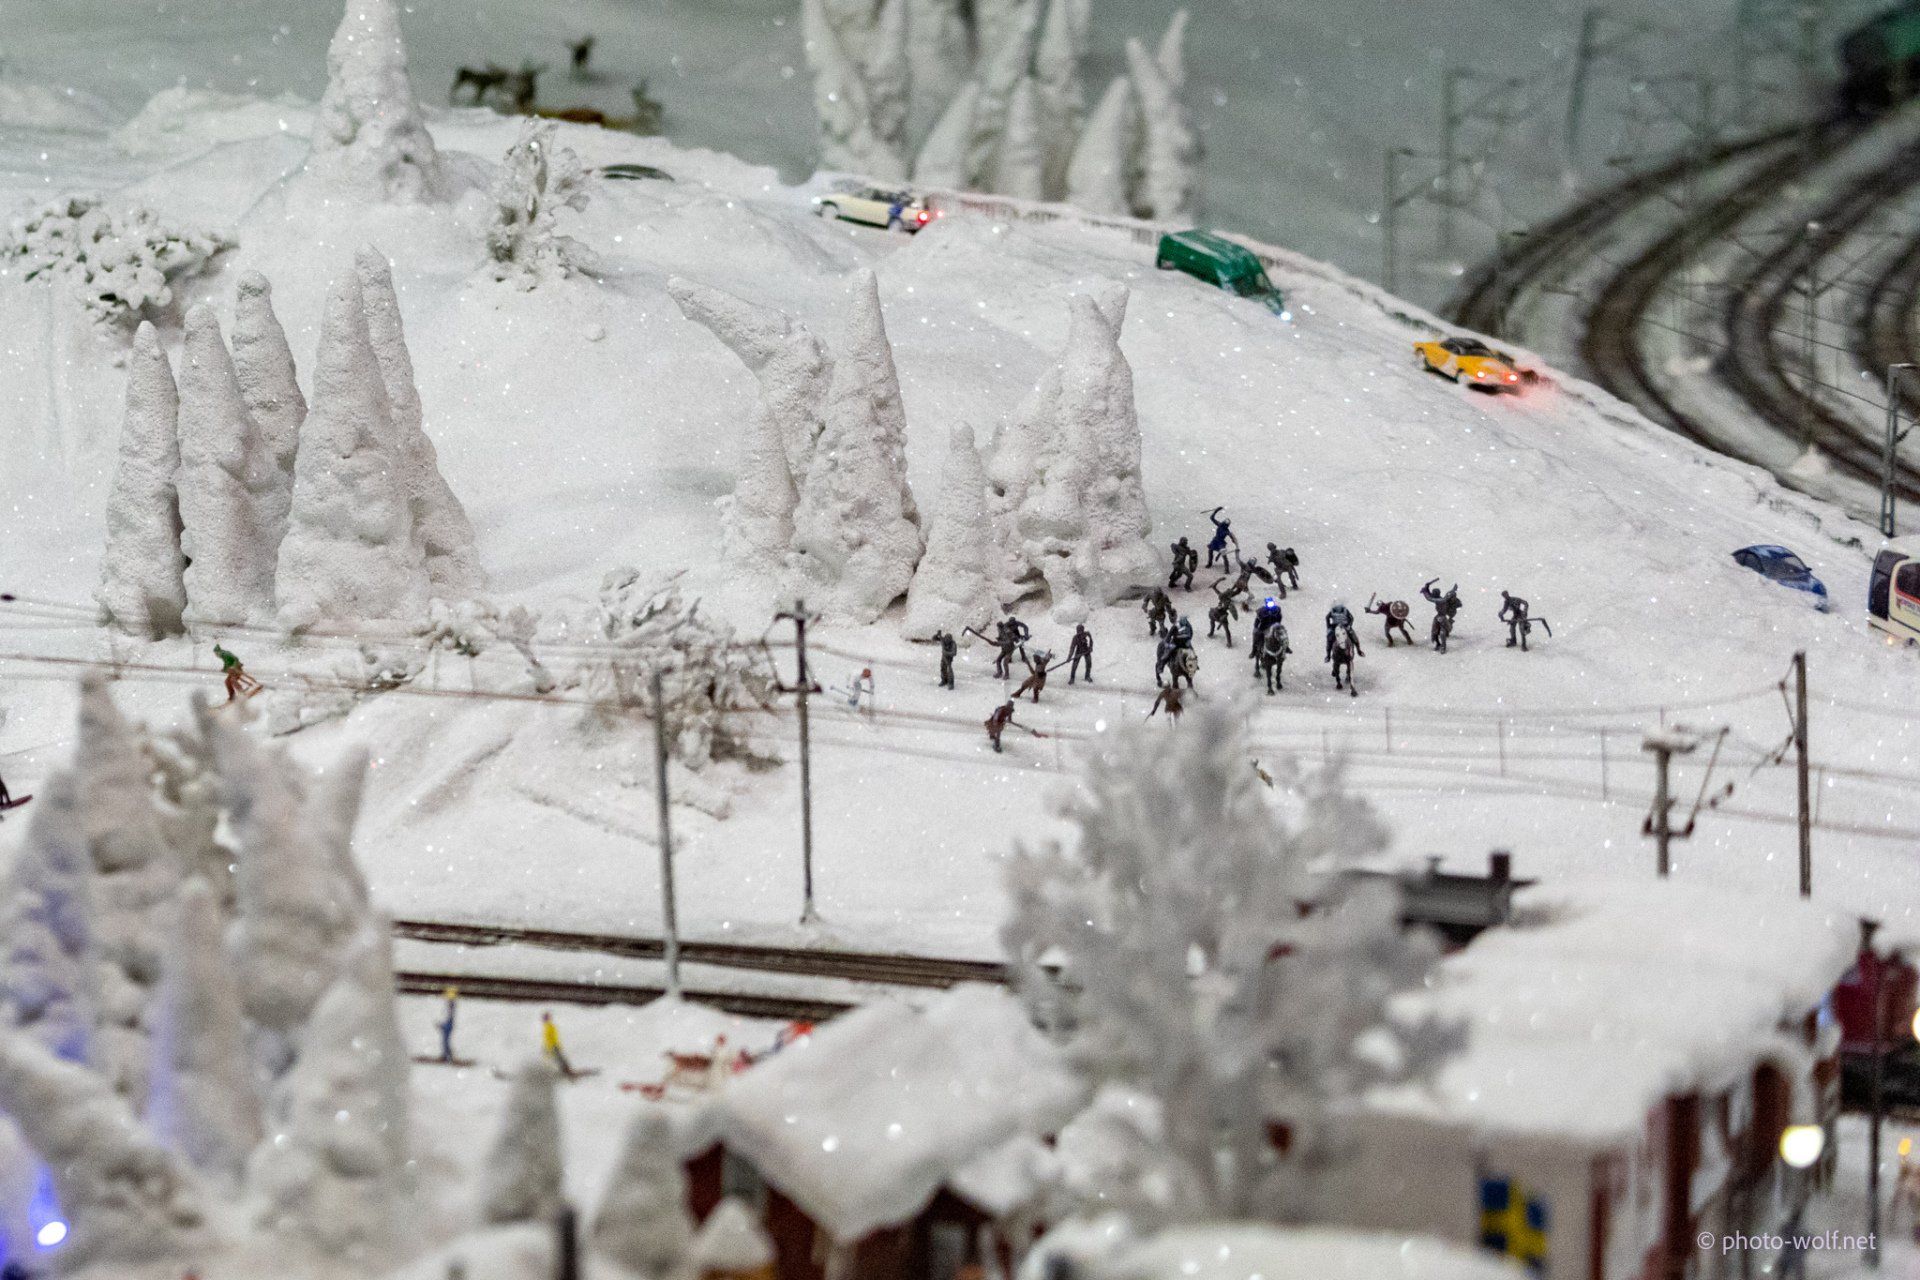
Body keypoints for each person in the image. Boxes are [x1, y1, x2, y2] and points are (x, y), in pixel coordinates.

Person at [1421, 579, 1462, 654]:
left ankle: (1443, 646)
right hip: (1438, 616)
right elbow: (1431, 597)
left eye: (1433, 593)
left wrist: (1424, 592)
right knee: (1434, 632)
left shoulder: (1441, 600)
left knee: (1442, 632)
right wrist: (1427, 588)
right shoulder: (1439, 598)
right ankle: (1438, 644)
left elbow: (1429, 598)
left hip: (1442, 618)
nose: (1432, 594)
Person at [1249, 597, 1284, 663]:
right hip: (1263, 628)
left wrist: (1277, 625)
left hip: (1272, 626)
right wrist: (1258, 627)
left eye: (1271, 603)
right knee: (1255, 634)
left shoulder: (1277, 610)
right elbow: (1257, 621)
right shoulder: (1262, 611)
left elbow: (1279, 619)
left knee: (1280, 636)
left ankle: (1283, 648)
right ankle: (1254, 650)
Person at [541, 1011, 574, 1077]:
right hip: (551, 1046)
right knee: (557, 1059)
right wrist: (547, 1047)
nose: (545, 1020)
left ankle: (566, 1070)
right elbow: (547, 1038)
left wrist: (554, 1045)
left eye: (546, 1018)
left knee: (559, 1058)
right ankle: (565, 1071)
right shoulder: (547, 1027)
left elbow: (553, 1037)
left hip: (553, 1045)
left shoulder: (550, 1026)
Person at [437, 987, 460, 1064]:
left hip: (448, 1024)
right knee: (445, 1041)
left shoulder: (450, 1004)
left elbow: (447, 1016)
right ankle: (446, 1055)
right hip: (448, 1024)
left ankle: (447, 1056)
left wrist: (442, 1024)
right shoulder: (451, 1004)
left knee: (445, 1041)